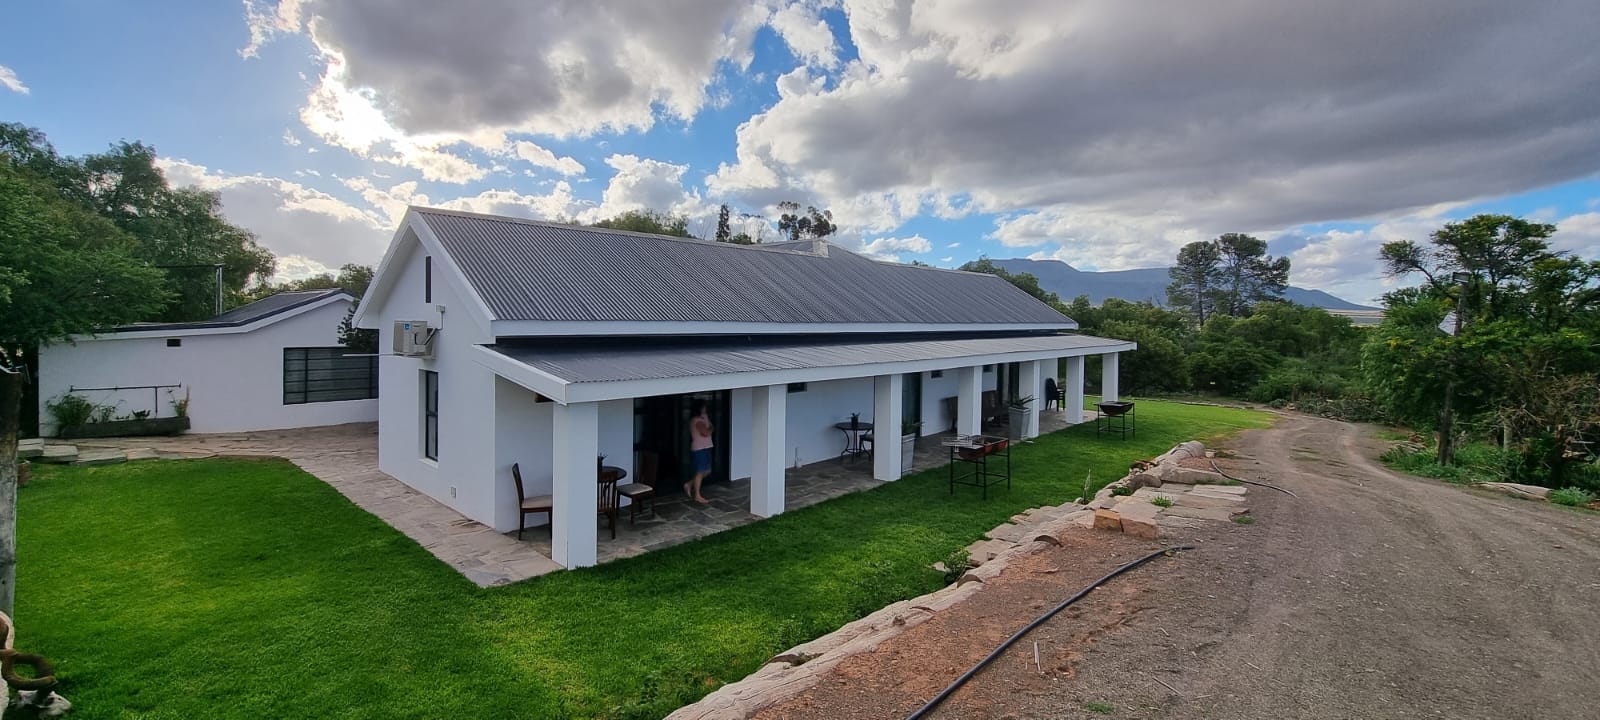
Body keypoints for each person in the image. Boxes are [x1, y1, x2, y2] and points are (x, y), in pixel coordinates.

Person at [685, 400, 714, 504]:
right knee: (700, 471)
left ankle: (689, 484)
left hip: (706, 447)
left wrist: (709, 425)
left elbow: (710, 428)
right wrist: (710, 428)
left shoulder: (703, 419)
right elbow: (707, 432)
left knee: (707, 471)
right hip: (700, 449)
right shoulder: (697, 420)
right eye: (704, 407)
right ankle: (697, 495)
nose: (705, 409)